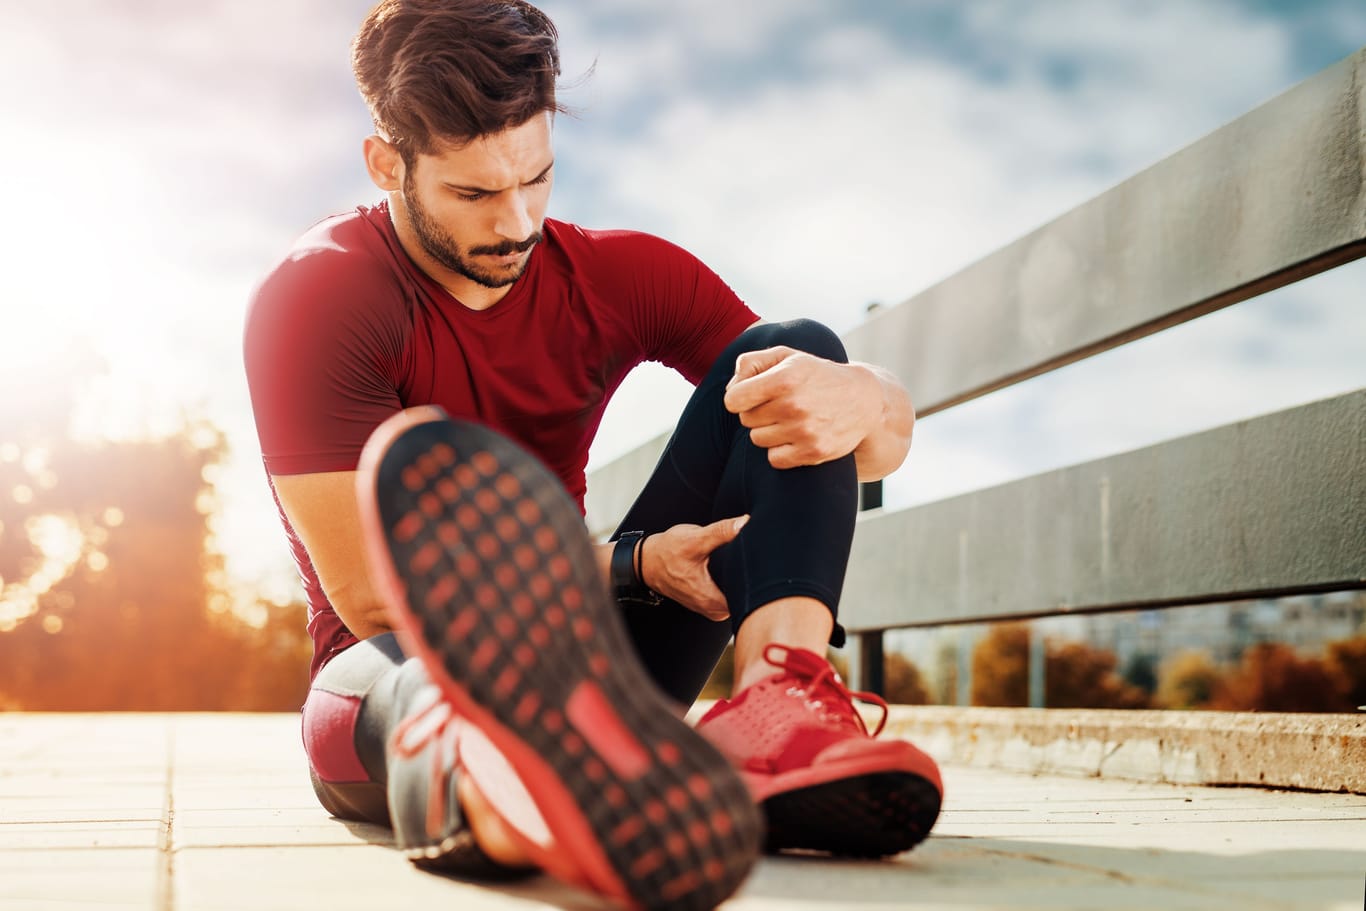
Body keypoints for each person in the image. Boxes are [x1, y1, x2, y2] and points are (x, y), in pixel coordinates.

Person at [243, 1, 942, 908]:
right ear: (387, 163)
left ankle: (777, 712)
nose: (518, 221)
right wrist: (636, 564)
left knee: (792, 353)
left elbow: (858, 450)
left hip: (597, 667)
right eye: (474, 193)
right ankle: (508, 786)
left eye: (537, 178)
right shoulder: (318, 296)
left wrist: (867, 396)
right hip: (392, 669)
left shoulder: (619, 276)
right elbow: (378, 592)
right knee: (434, 687)